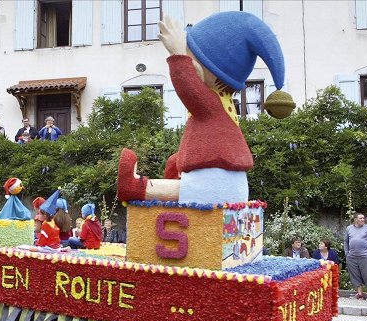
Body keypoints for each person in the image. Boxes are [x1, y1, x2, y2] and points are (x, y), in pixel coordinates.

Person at [117, 14, 294, 204]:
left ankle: (134, 187)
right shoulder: (223, 103)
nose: (187, 60)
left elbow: (188, 88)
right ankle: (167, 178)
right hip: (227, 183)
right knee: (179, 170)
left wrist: (177, 55)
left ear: (208, 68)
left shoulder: (211, 104)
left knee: (188, 190)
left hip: (212, 183)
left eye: (190, 56)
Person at [344, 212, 367, 301]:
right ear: (355, 220)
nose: (363, 220)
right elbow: (346, 242)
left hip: (365, 256)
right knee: (355, 275)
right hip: (351, 257)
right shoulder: (349, 228)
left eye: (363, 218)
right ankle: (360, 294)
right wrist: (347, 253)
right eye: (360, 218)